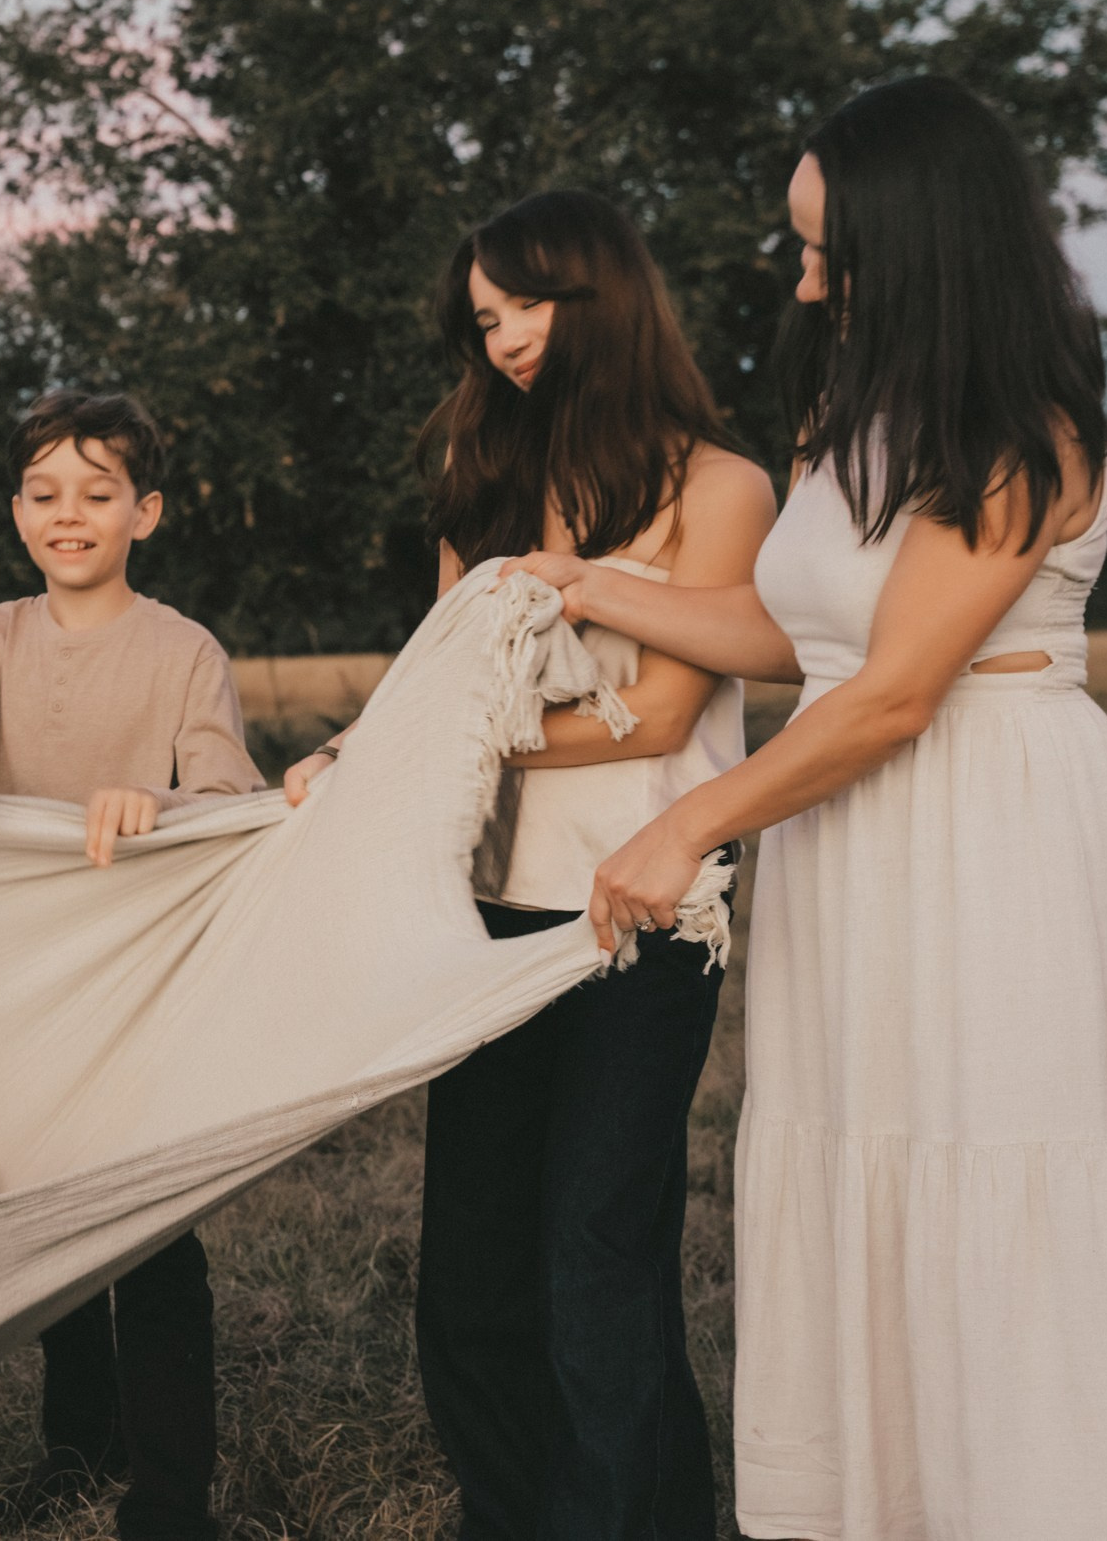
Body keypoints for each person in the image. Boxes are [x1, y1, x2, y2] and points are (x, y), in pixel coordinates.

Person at [513, 76, 1107, 1540]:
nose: (808, 280)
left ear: (930, 241)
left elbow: (898, 696)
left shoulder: (1022, 426)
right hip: (858, 831)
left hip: (991, 821)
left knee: (991, 1145)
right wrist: (595, 587)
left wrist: (684, 823)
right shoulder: (861, 409)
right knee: (864, 1136)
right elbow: (809, 641)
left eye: (833, 252)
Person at [289, 190, 775, 1539]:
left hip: (645, 915)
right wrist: (357, 752)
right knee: (474, 1272)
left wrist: (466, 739)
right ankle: (510, 1516)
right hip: (490, 917)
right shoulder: (484, 487)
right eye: (483, 319)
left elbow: (669, 716)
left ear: (599, 291)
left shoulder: (720, 487)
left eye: (523, 305)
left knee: (599, 1257)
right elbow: (443, 690)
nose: (500, 338)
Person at [0, 389, 262, 1541]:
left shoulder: (183, 649)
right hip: (21, 973)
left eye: (97, 493)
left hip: (139, 974)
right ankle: (75, 1444)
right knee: (47, 1211)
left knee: (145, 1228)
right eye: (44, 493)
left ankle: (168, 1494)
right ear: (15, 513)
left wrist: (163, 798)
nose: (68, 514)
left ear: (145, 512)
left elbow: (230, 796)